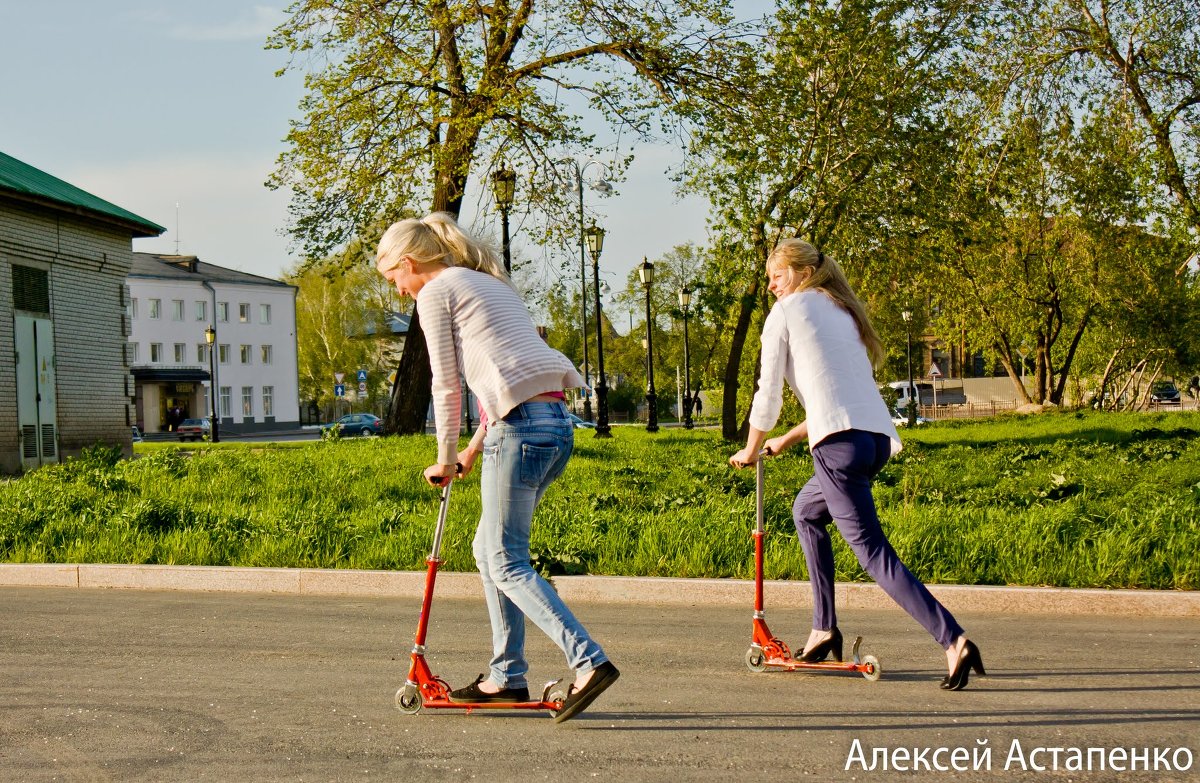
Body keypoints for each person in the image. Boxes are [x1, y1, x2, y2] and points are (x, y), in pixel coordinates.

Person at [376, 212, 619, 722]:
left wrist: (442, 456)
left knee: (505, 559)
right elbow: (505, 381)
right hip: (553, 426)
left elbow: (446, 386)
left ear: (408, 261)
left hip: (521, 433)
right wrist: (467, 453)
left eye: (394, 278)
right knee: (489, 551)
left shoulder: (435, 292)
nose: (399, 291)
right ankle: (506, 676)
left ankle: (588, 661)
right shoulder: (488, 284)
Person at [729, 239, 984, 691]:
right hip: (873, 441)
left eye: (778, 276)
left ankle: (953, 639)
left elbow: (766, 396)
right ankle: (824, 628)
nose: (771, 286)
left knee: (873, 552)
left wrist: (751, 448)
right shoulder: (840, 312)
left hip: (839, 449)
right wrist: (788, 439)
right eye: (769, 278)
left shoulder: (785, 313)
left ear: (803, 274)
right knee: (806, 512)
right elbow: (836, 396)